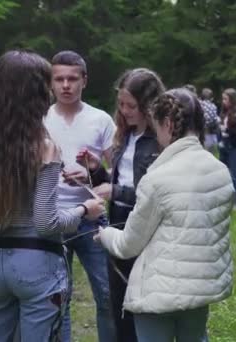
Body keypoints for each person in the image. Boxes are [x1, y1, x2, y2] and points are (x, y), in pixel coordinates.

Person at [0, 50, 105, 341]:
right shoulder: (44, 147)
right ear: (39, 91)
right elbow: (47, 223)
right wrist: (84, 210)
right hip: (37, 263)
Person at [94, 88, 235, 342]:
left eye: (156, 128)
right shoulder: (220, 171)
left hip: (160, 293)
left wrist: (105, 234)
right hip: (200, 288)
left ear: (168, 125)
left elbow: (127, 245)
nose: (156, 137)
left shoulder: (157, 179)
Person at [78, 68, 165, 342]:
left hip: (146, 231)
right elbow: (119, 181)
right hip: (117, 226)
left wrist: (114, 190)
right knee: (119, 304)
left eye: (132, 106)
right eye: (122, 105)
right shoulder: (126, 136)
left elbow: (153, 193)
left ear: (150, 106)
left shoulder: (160, 141)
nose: (125, 111)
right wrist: (96, 171)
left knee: (142, 305)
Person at [43, 50, 116, 342]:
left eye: (72, 78)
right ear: (50, 83)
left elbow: (119, 173)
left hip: (93, 217)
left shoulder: (101, 120)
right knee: (59, 298)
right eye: (59, 79)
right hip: (53, 217)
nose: (65, 85)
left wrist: (95, 174)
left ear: (84, 80)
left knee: (109, 295)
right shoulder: (41, 118)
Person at [200, 88, 220, 153]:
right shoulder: (214, 106)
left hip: (204, 133)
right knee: (211, 154)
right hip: (212, 134)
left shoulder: (200, 104)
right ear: (212, 98)